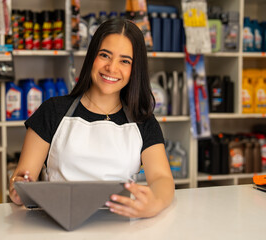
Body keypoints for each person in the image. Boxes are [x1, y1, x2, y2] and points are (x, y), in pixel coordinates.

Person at [9, 18, 174, 218]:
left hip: (119, 226)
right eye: (105, 55)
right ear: (92, 57)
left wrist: (154, 203)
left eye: (124, 61)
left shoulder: (142, 121)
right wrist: (19, 189)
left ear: (134, 69)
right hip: (60, 224)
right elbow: (24, 176)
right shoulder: (53, 111)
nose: (112, 68)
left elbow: (162, 178)